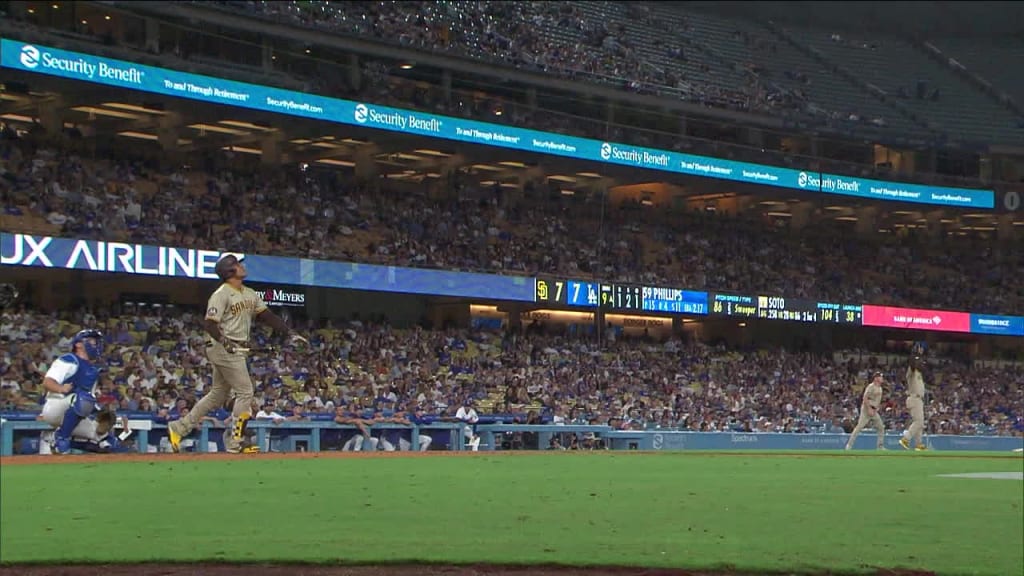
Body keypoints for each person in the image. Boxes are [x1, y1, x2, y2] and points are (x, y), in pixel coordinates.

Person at [168, 253, 307, 454]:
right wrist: (225, 341)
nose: (242, 266)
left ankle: (179, 427)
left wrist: (290, 333)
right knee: (245, 391)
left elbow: (268, 316)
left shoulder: (249, 293)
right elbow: (209, 323)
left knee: (217, 395)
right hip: (222, 346)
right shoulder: (221, 294)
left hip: (236, 348)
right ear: (230, 271)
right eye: (237, 264)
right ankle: (235, 442)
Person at [38, 329, 108, 454]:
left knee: (106, 442)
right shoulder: (69, 359)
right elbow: (47, 382)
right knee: (83, 399)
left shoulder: (92, 369)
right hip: (56, 406)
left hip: (75, 412)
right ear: (79, 344)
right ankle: (61, 437)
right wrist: (61, 388)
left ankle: (53, 438)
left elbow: (89, 398)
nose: (96, 344)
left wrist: (99, 411)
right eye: (92, 341)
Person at [845, 372, 886, 451]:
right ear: (876, 378)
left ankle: (880, 447)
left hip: (874, 411)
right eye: (880, 377)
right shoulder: (871, 386)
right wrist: (869, 409)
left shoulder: (880, 388)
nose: (882, 378)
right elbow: (865, 398)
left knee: (881, 427)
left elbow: (877, 400)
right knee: (859, 427)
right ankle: (849, 445)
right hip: (866, 409)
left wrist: (876, 408)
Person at [900, 355, 927, 451]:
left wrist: (919, 356)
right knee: (918, 421)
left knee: (920, 422)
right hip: (914, 398)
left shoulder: (919, 373)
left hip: (919, 400)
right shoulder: (911, 373)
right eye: (919, 363)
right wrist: (915, 356)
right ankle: (906, 439)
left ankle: (918, 444)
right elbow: (911, 364)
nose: (921, 365)